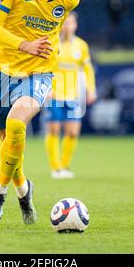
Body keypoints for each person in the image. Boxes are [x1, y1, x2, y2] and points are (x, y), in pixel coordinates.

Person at [0, 0, 80, 223]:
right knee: (7, 144)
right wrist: (24, 44)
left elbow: (61, 19)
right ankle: (24, 191)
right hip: (1, 70)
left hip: (39, 72)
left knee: (16, 123)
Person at [44, 11, 96, 179]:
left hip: (73, 95)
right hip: (54, 94)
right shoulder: (52, 43)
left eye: (70, 22)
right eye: (64, 23)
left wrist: (91, 89)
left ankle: (65, 166)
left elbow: (87, 69)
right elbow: (43, 67)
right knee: (54, 129)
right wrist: (45, 88)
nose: (67, 26)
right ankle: (55, 168)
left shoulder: (81, 46)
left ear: (75, 25)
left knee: (73, 131)